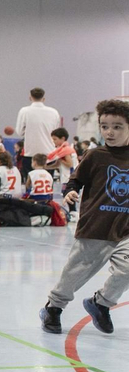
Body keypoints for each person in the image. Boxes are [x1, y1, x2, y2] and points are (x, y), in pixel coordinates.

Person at [40, 99, 129, 335]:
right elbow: (75, 180)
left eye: (117, 126)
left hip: (125, 230)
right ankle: (54, 308)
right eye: (104, 126)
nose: (109, 132)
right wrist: (70, 191)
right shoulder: (95, 155)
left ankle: (101, 303)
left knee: (127, 269)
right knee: (73, 275)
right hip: (95, 227)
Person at [16, 87, 62, 175]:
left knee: (31, 183)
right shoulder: (54, 112)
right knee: (47, 183)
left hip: (31, 153)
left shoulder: (24, 111)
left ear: (30, 98)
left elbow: (19, 132)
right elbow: (56, 132)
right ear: (43, 99)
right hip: (49, 153)